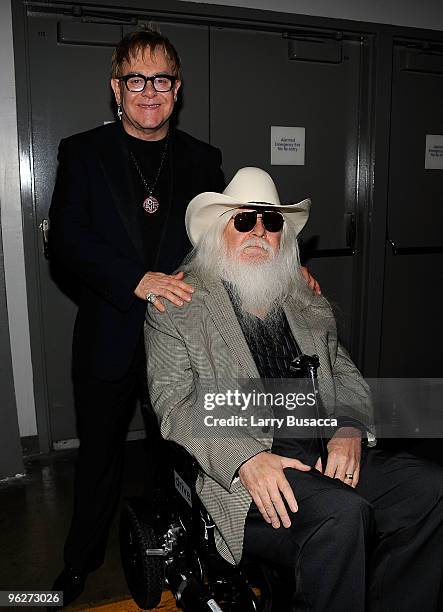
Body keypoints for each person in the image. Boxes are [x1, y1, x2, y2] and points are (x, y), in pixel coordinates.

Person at [145, 167, 443, 611]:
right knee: (343, 516)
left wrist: (348, 429)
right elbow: (175, 404)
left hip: (324, 448)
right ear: (216, 232)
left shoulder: (307, 298)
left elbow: (345, 375)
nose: (259, 232)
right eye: (244, 221)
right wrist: (244, 457)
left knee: (430, 487)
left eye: (272, 222)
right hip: (250, 465)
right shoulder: (177, 307)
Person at [48, 27, 225, 607]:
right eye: (136, 80)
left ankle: (175, 548)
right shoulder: (82, 152)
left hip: (181, 336)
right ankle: (82, 560)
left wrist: (289, 266)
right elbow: (67, 240)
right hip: (109, 334)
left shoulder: (203, 160)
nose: (149, 91)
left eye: (162, 80)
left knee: (176, 453)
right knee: (99, 456)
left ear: (178, 89)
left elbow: (228, 238)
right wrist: (134, 280)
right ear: (116, 89)